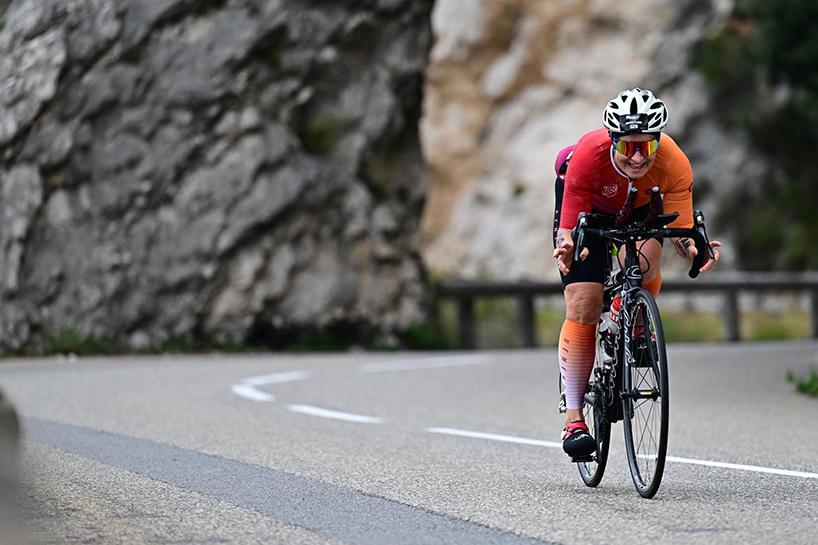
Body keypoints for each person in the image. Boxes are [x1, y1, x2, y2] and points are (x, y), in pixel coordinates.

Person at [551, 88, 722, 458]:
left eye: (648, 146)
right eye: (629, 147)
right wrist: (566, 246)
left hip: (643, 208)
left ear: (659, 141)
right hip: (590, 211)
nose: (639, 157)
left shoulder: (674, 163)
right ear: (614, 140)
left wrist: (692, 248)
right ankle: (574, 419)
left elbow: (681, 229)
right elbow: (568, 229)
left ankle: (633, 319)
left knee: (645, 264)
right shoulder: (588, 155)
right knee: (584, 303)